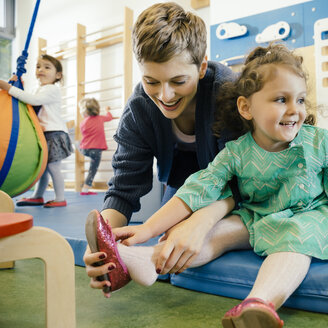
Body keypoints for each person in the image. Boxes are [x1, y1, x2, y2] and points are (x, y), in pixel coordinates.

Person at [87, 43, 328, 328]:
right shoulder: (236, 152)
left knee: (294, 240)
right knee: (214, 232)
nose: (294, 110)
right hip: (257, 215)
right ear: (246, 108)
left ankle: (260, 303)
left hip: (309, 215)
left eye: (299, 100)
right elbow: (197, 190)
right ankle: (142, 260)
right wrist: (146, 230)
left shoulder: (317, 141)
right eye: (280, 100)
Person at [82, 2, 238, 296]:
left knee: (195, 231)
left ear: (202, 66)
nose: (164, 96)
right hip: (181, 183)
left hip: (231, 189)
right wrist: (104, 245)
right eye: (151, 81)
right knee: (172, 229)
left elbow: (246, 183)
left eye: (178, 81)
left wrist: (202, 219)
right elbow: (123, 188)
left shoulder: (228, 93)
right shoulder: (139, 109)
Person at [0, 54, 72, 207]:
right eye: (39, 67)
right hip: (44, 134)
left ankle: (60, 198)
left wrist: (10, 89)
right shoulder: (40, 89)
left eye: (47, 67)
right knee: (43, 167)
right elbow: (29, 104)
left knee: (53, 166)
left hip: (54, 133)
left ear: (58, 75)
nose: (41, 70)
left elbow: (33, 101)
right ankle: (38, 195)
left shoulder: (52, 89)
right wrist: (18, 85)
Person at [78, 97, 113, 195]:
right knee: (92, 170)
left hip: (84, 148)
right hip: (96, 150)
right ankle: (85, 189)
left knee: (79, 144)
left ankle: (75, 145)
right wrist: (107, 111)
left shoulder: (83, 122)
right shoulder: (100, 118)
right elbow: (109, 117)